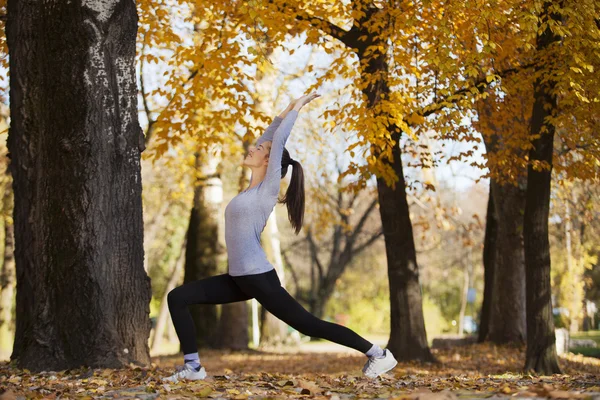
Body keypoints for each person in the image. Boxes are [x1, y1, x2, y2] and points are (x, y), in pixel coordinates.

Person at [162, 92, 397, 383]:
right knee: (178, 298)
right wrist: (285, 108)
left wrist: (297, 109)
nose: (253, 147)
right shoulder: (251, 188)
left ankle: (378, 354)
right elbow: (271, 135)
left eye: (261, 149)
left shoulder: (267, 190)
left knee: (309, 325)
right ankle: (193, 367)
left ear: (269, 161)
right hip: (239, 279)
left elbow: (278, 140)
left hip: (259, 278)